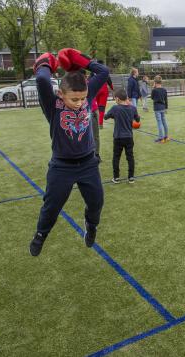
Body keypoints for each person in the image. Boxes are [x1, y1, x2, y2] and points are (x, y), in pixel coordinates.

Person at [29, 49, 109, 257]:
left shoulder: (86, 93)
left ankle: (91, 226)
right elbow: (42, 81)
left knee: (96, 202)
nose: (80, 103)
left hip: (88, 163)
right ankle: (41, 234)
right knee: (52, 206)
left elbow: (103, 71)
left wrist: (79, 58)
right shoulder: (52, 105)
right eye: (74, 99)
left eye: (83, 99)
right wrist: (46, 63)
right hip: (61, 166)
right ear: (61, 94)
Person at [104, 88, 140, 183]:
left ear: (118, 99)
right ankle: (131, 177)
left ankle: (116, 177)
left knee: (116, 157)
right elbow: (138, 120)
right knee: (130, 157)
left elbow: (106, 117)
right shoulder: (132, 108)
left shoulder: (115, 108)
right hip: (128, 137)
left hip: (118, 137)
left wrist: (112, 115)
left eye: (115, 98)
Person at [151, 75, 169, 142]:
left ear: (155, 82)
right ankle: (166, 136)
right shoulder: (164, 90)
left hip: (157, 108)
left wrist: (153, 88)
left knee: (159, 122)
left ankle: (161, 137)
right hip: (163, 107)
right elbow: (166, 99)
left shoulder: (154, 90)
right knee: (164, 122)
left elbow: (152, 98)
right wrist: (166, 108)